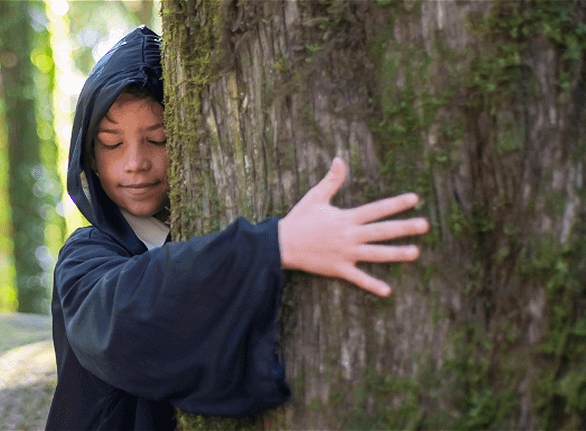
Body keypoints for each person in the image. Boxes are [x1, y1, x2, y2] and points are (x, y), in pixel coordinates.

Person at [45, 26, 429, 430]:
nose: (136, 162)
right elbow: (120, 322)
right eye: (112, 143)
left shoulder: (191, 228)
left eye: (157, 139)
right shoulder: (85, 254)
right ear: (89, 154)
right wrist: (275, 246)